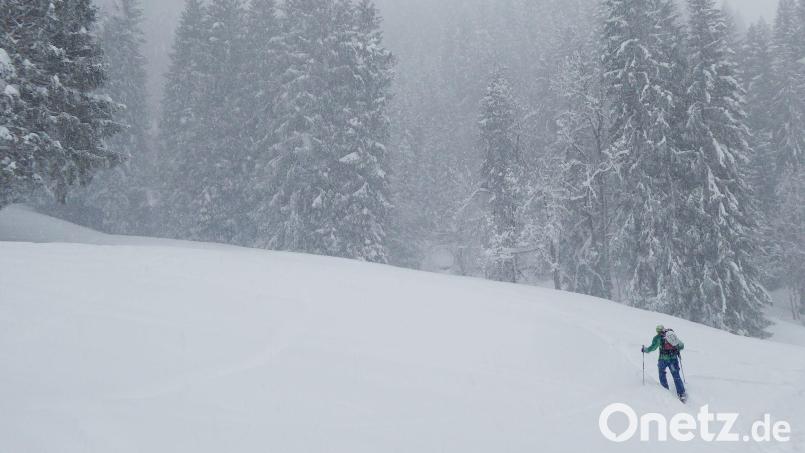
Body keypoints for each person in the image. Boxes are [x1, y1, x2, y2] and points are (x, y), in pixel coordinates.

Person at [642, 324, 687, 401]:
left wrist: (645, 350)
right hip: (673, 360)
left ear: (657, 331)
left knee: (662, 373)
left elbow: (652, 348)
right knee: (676, 375)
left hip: (663, 359)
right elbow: (682, 345)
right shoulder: (671, 335)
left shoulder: (657, 338)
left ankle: (665, 391)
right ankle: (682, 394)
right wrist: (675, 349)